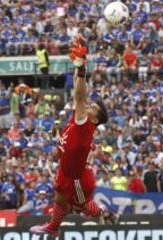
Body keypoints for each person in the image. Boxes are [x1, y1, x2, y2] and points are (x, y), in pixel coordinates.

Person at [30, 35, 114, 237]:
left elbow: (79, 94)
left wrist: (82, 68)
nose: (88, 105)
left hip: (77, 178)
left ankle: (105, 213)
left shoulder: (85, 124)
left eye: (93, 107)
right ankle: (53, 227)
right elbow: (78, 86)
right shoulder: (80, 119)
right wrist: (79, 65)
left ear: (95, 118)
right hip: (66, 171)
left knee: (83, 208)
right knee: (59, 198)